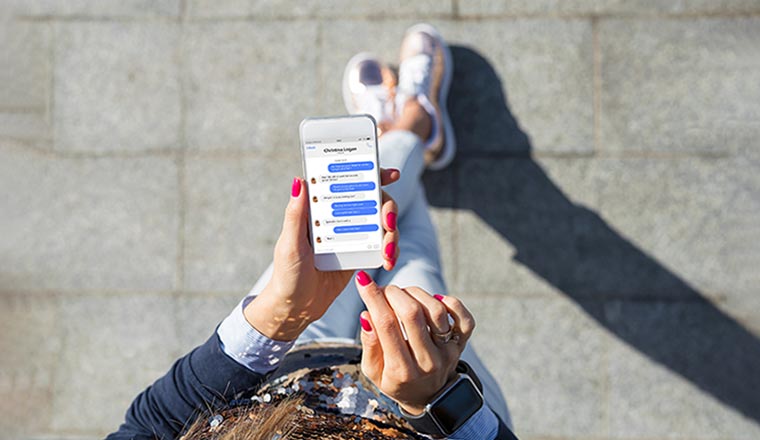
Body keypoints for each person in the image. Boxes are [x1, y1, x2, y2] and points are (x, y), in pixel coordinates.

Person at [108, 24, 516, 440]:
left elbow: (149, 424)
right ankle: (411, 126)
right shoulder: (433, 394)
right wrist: (434, 399)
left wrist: (279, 314)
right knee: (414, 266)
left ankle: (409, 129)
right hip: (428, 397)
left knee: (391, 235)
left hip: (292, 357)